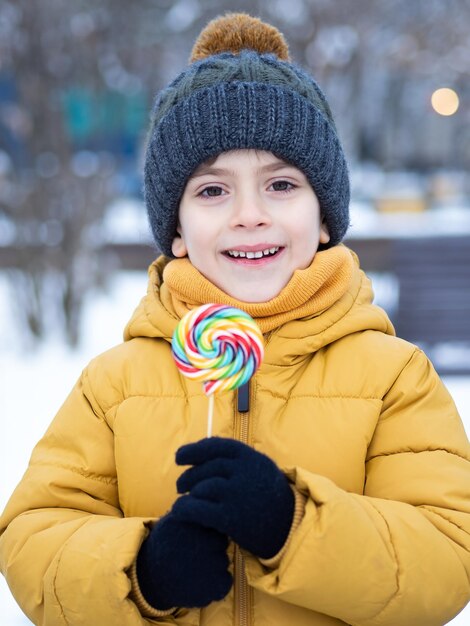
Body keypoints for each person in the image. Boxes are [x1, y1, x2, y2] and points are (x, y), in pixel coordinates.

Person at [1, 12, 469, 626]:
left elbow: (447, 557)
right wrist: (142, 569)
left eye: (280, 185)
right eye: (212, 191)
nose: (249, 214)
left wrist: (292, 524)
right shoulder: (114, 386)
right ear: (176, 231)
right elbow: (33, 539)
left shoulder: (393, 379)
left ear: (325, 217)